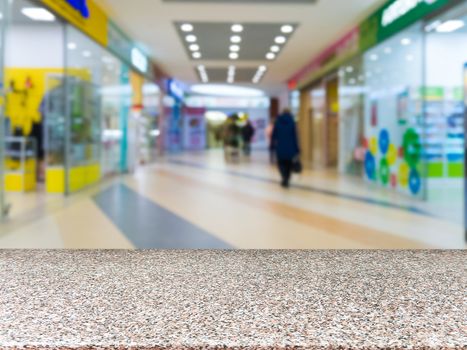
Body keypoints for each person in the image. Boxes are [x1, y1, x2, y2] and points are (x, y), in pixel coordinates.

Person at [272, 109, 300, 188]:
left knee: (281, 164)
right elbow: (295, 137)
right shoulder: (292, 123)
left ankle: (284, 177)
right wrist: (297, 148)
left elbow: (274, 136)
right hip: (291, 147)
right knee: (289, 164)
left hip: (280, 147)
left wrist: (273, 146)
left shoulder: (277, 122)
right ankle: (287, 178)